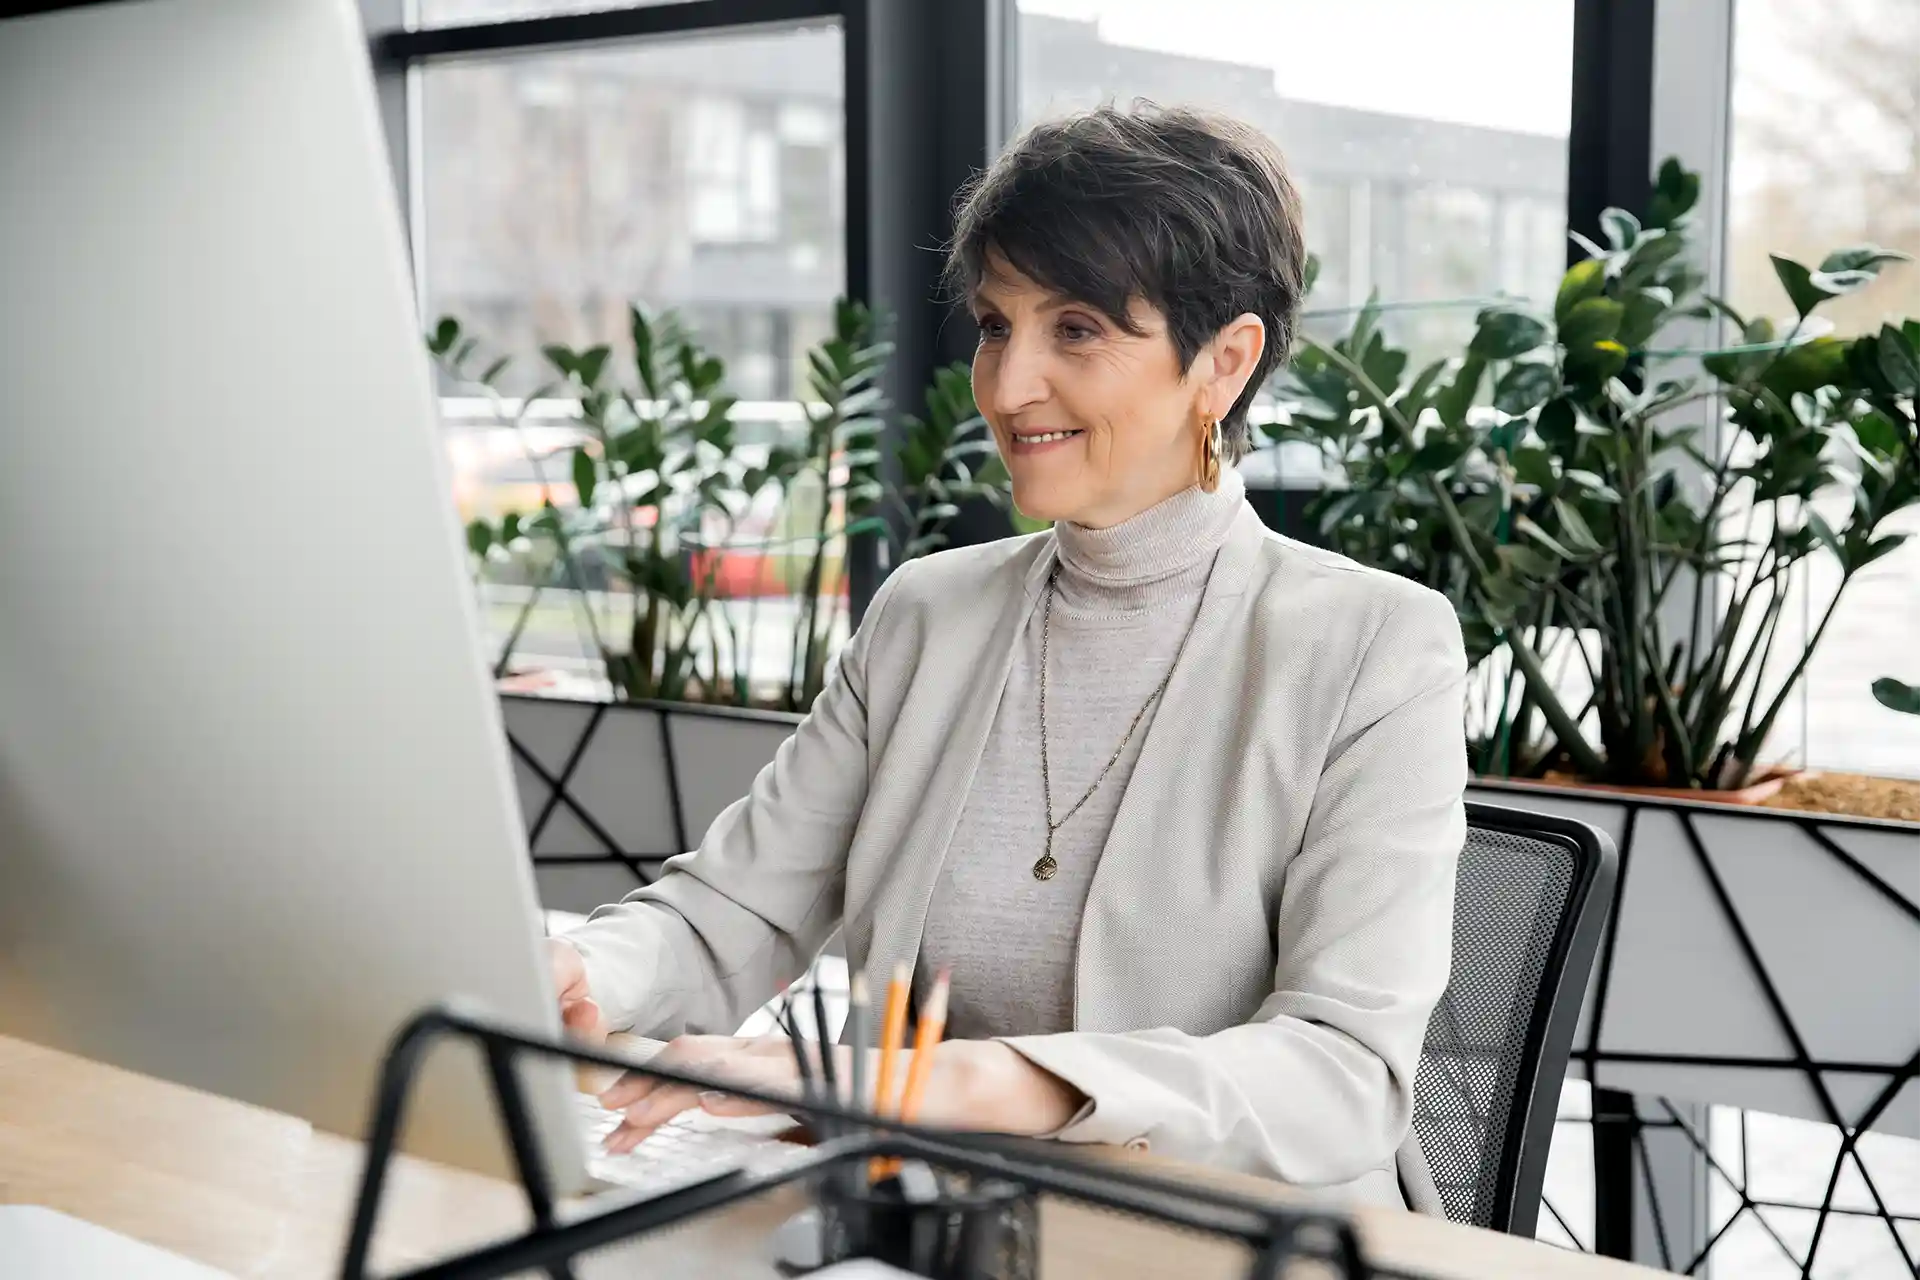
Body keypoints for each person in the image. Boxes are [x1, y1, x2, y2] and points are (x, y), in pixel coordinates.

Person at [548, 103, 1467, 1211]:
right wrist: (584, 976)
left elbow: (1342, 1073)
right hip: (925, 1223)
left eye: (1075, 328)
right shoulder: (929, 615)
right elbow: (730, 911)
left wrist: (953, 1080)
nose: (1007, 382)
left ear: (1224, 361)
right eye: (995, 323)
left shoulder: (1374, 645)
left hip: (1218, 1240)